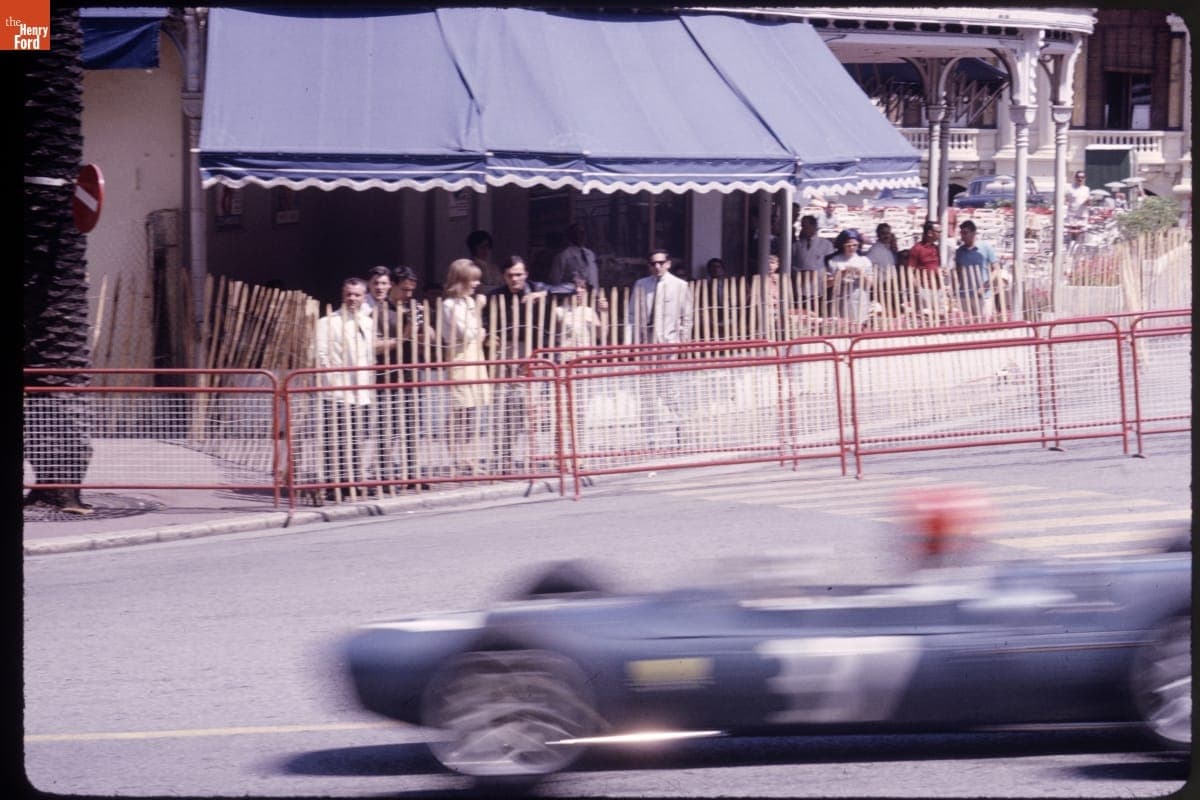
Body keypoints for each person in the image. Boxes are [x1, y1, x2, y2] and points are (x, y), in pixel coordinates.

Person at [486, 256, 574, 474]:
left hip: (534, 353)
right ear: (503, 276)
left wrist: (543, 294)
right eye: (510, 275)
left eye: (519, 274)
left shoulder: (537, 287)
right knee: (505, 409)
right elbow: (486, 324)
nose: (515, 279)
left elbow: (570, 287)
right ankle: (504, 456)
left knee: (534, 408)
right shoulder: (496, 296)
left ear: (526, 274)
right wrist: (491, 339)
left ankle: (544, 455)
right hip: (507, 352)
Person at [315, 277, 375, 501]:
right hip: (337, 391)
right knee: (336, 438)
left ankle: (353, 480)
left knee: (356, 437)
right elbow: (320, 356)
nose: (352, 299)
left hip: (362, 391)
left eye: (357, 295)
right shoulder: (328, 322)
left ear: (363, 297)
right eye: (349, 294)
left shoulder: (367, 322)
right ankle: (334, 483)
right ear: (342, 294)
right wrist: (333, 382)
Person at [373, 266, 431, 490]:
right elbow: (376, 346)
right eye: (405, 289)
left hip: (411, 373)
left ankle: (413, 471)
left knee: (412, 426)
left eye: (412, 289)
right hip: (387, 376)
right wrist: (404, 334)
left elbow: (428, 338)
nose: (409, 294)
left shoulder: (414, 307)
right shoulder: (380, 311)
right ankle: (386, 474)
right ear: (394, 286)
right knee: (387, 427)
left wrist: (421, 328)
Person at [441, 259, 491, 476]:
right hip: (460, 357)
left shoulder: (467, 302)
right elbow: (469, 333)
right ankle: (455, 456)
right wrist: (478, 311)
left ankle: (467, 455)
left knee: (472, 409)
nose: (476, 284)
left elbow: (479, 333)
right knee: (459, 409)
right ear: (460, 280)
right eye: (472, 280)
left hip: (474, 356)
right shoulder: (450, 305)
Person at [630, 248, 694, 345]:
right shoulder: (641, 284)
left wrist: (683, 340)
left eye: (661, 263)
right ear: (649, 266)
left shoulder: (680, 285)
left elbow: (687, 317)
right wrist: (630, 340)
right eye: (653, 263)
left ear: (668, 264)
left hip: (671, 340)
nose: (657, 266)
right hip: (646, 340)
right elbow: (631, 314)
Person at [828, 229, 875, 329]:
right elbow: (828, 284)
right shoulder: (835, 261)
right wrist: (841, 274)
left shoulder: (864, 261)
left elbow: (871, 284)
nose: (852, 248)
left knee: (860, 324)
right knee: (844, 325)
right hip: (842, 298)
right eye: (848, 245)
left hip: (860, 298)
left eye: (854, 245)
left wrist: (862, 274)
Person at [953, 220, 1000, 321]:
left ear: (973, 233)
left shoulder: (986, 247)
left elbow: (996, 269)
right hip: (965, 294)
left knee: (984, 322)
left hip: (983, 293)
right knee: (969, 324)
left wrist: (986, 285)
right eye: (961, 233)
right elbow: (958, 272)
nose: (963, 236)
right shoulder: (959, 251)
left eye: (965, 233)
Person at [792, 214, 835, 315]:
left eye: (805, 226)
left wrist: (819, 273)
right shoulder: (796, 246)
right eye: (802, 226)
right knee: (802, 313)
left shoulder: (826, 244)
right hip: (801, 285)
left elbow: (830, 266)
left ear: (814, 226)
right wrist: (801, 273)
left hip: (819, 284)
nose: (803, 229)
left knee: (818, 313)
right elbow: (791, 265)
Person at [555, 273, 609, 351]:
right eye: (575, 287)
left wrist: (604, 313)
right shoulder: (559, 311)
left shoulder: (590, 312)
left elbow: (601, 336)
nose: (578, 290)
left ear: (587, 292)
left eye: (582, 287)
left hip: (586, 358)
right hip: (566, 358)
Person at [906, 220, 943, 317]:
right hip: (924, 287)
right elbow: (910, 270)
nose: (940, 234)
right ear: (930, 233)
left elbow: (937, 266)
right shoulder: (917, 248)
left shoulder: (935, 248)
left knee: (938, 316)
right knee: (925, 316)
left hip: (937, 287)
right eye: (938, 232)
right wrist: (917, 288)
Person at [549, 221, 600, 289]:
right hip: (575, 297)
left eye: (583, 232)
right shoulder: (563, 256)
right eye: (578, 232)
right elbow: (555, 283)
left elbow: (594, 279)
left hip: (594, 296)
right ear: (571, 235)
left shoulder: (590, 254)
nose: (582, 235)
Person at [865, 222, 900, 316]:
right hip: (881, 287)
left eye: (888, 233)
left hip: (892, 286)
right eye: (883, 233)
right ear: (878, 235)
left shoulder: (889, 249)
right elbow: (866, 267)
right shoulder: (874, 250)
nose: (886, 236)